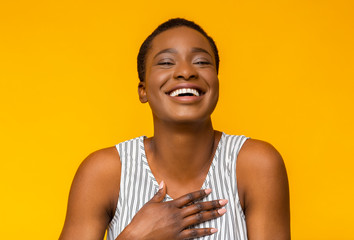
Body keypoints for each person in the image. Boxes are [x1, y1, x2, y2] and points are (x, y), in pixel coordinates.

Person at [59, 18, 290, 240]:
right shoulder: (104, 173)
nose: (186, 72)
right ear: (143, 90)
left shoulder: (255, 165)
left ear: (216, 83)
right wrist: (135, 237)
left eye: (201, 62)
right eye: (166, 62)